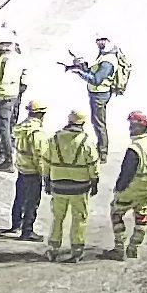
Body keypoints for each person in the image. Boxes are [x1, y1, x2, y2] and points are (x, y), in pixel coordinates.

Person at [41, 106, 102, 261]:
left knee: (57, 218)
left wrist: (46, 180)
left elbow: (46, 161)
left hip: (58, 185)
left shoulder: (54, 139)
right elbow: (93, 165)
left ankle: (53, 248)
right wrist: (94, 182)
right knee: (79, 218)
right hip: (80, 188)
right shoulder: (87, 142)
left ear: (69, 121)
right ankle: (77, 249)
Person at [109, 109, 147, 258]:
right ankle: (134, 246)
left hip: (132, 187)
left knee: (116, 212)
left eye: (132, 125)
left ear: (138, 127)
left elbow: (126, 173)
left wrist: (118, 188)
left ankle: (119, 247)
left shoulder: (134, 149)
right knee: (142, 215)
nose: (129, 128)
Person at [73, 35, 132, 146]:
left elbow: (96, 79)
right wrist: (82, 66)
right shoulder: (105, 55)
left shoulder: (108, 61)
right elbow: (94, 72)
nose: (100, 43)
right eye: (98, 41)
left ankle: (102, 152)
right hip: (98, 93)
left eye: (103, 40)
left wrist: (79, 72)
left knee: (99, 123)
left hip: (100, 94)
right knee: (97, 122)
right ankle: (101, 149)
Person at [7, 99, 51, 239]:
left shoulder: (21, 128)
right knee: (32, 202)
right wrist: (45, 174)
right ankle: (27, 231)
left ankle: (16, 224)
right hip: (33, 172)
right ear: (41, 114)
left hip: (22, 169)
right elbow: (40, 157)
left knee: (19, 198)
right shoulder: (37, 133)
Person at [0, 27, 26, 158]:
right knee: (4, 127)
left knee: (4, 128)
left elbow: (4, 80)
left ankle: (6, 156)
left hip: (4, 96)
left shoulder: (8, 60)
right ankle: (4, 153)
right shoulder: (5, 57)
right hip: (6, 95)